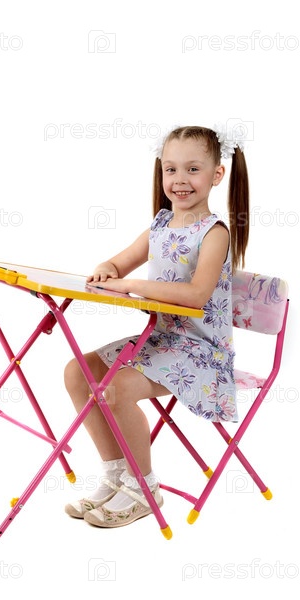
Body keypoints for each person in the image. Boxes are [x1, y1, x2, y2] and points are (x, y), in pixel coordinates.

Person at [64, 125, 250, 528]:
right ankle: (118, 474)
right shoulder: (160, 226)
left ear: (217, 174)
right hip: (163, 342)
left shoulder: (215, 233)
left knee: (117, 387)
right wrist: (107, 268)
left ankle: (144, 488)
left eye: (193, 169)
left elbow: (196, 295)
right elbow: (118, 263)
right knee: (77, 372)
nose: (180, 179)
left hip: (202, 353)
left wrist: (130, 285)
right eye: (171, 169)